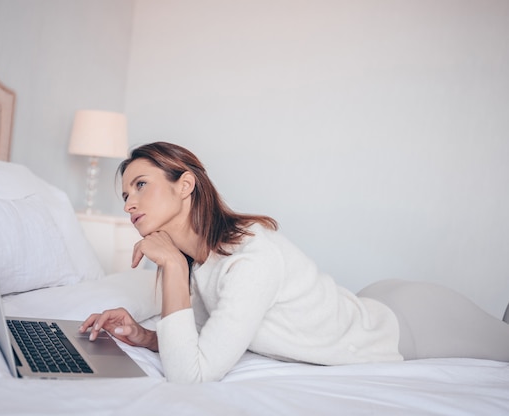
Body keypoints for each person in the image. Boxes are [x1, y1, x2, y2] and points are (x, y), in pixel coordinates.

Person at [79, 141, 509, 383]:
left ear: (185, 184)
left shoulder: (252, 255)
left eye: (140, 185)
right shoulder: (201, 261)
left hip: (412, 325)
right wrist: (144, 335)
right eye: (124, 196)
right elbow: (206, 338)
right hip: (368, 301)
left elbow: (191, 378)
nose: (130, 203)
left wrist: (170, 266)